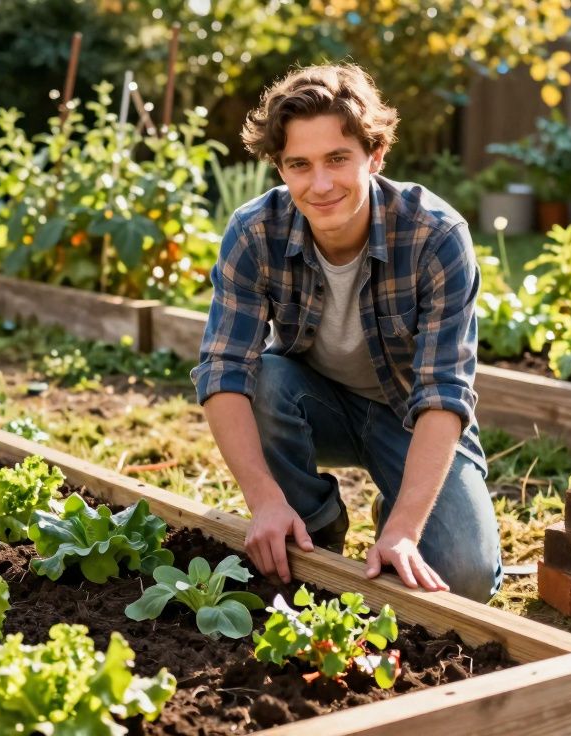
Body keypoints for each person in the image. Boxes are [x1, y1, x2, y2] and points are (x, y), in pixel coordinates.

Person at [190, 63, 502, 601]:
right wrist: (263, 500)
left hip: (412, 416)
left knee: (465, 580)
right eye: (300, 165)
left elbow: (444, 395)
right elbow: (222, 373)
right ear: (280, 168)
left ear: (375, 155)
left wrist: (406, 526)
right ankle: (313, 525)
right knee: (260, 379)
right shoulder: (254, 232)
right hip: (315, 404)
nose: (321, 184)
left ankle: (395, 510)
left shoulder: (436, 235)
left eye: (338, 159)